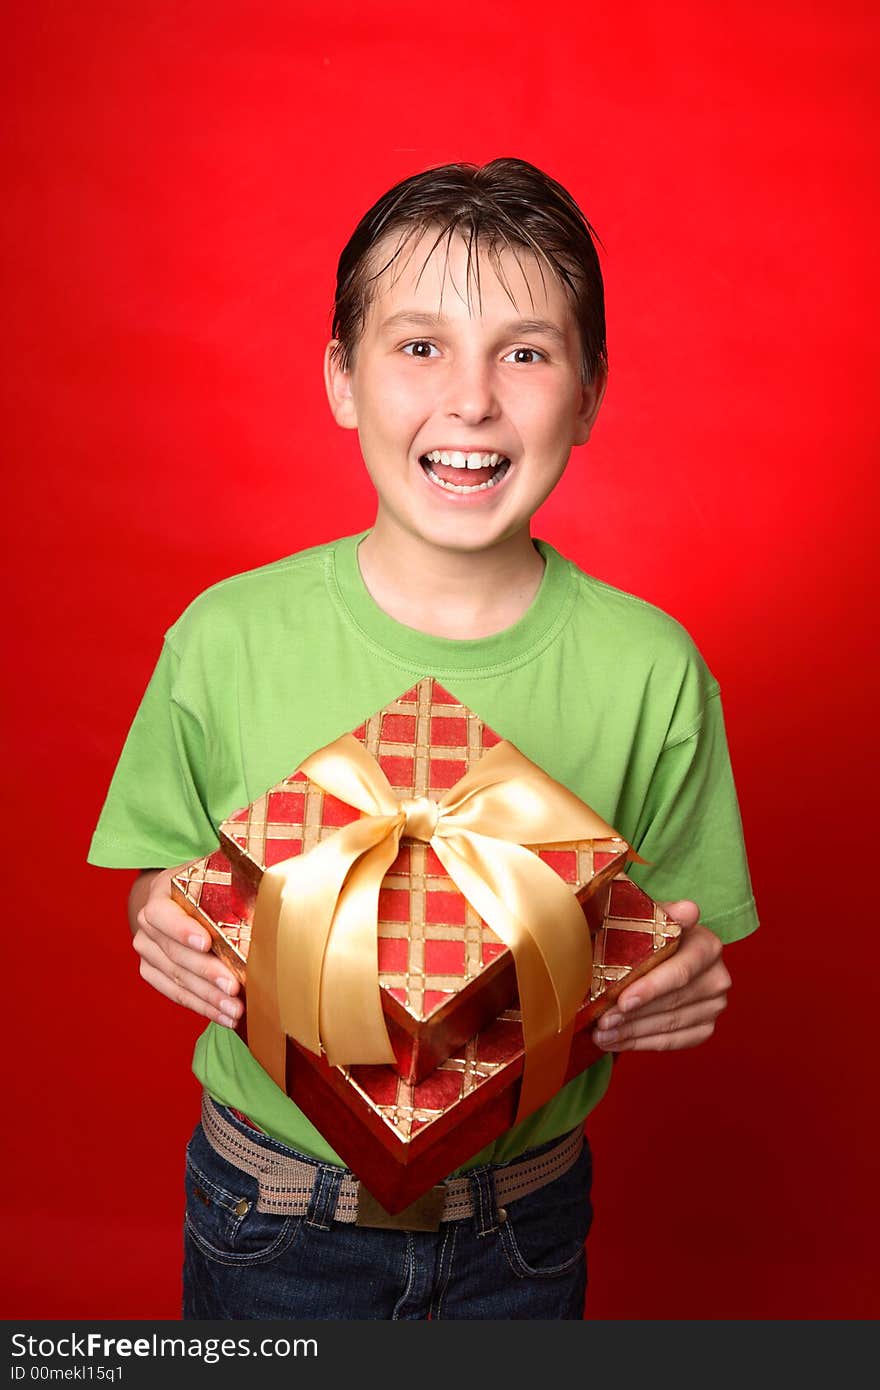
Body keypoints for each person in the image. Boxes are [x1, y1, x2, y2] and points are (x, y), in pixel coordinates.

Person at [88, 158, 758, 1320]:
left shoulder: (652, 669)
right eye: (417, 346)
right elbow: (159, 877)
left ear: (589, 394)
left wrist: (683, 985)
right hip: (274, 1209)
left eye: (526, 351)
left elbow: (680, 937)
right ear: (341, 379)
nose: (471, 399)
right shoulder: (226, 636)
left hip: (525, 1222)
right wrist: (159, 913)